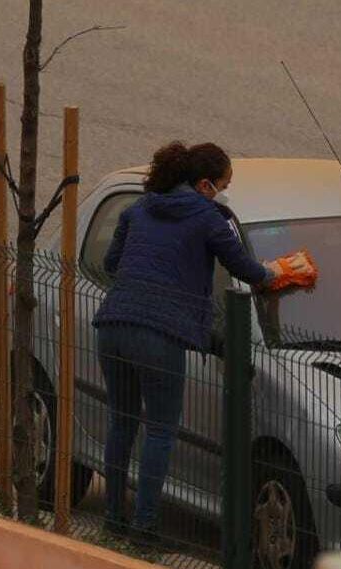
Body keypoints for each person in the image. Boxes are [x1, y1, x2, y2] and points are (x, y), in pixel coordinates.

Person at [93, 141, 276, 545]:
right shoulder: (208, 217)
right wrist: (274, 274)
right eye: (226, 184)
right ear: (206, 184)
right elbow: (243, 268)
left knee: (122, 421)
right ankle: (145, 527)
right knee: (160, 429)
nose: (226, 192)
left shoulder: (139, 209)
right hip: (160, 334)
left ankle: (112, 519)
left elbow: (110, 265)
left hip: (113, 324)